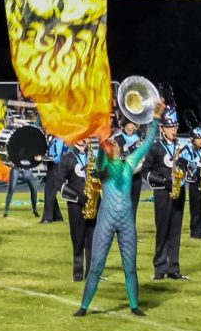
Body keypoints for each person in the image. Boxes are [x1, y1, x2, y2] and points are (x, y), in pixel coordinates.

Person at [73, 100, 164, 317]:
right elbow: (103, 142)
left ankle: (134, 306)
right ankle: (83, 307)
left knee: (130, 266)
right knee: (96, 265)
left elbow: (148, 142)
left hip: (125, 221)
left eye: (115, 144)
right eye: (111, 144)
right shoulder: (103, 166)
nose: (114, 145)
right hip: (106, 218)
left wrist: (156, 119)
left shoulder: (129, 163)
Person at [141, 105, 188, 279]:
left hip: (179, 191)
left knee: (176, 231)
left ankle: (174, 268)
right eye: (170, 127)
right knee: (162, 230)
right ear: (162, 129)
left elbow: (190, 167)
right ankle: (160, 268)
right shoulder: (156, 148)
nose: (173, 130)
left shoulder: (181, 146)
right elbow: (146, 171)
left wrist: (185, 166)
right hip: (162, 193)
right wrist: (163, 182)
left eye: (175, 127)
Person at [56, 138, 97, 282]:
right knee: (78, 239)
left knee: (93, 239)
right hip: (75, 204)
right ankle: (78, 272)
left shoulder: (93, 157)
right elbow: (59, 182)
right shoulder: (67, 158)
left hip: (93, 202)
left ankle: (91, 272)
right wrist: (79, 198)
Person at [113, 120, 145, 219]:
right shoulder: (117, 139)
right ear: (124, 124)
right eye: (130, 124)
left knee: (133, 206)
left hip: (136, 176)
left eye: (134, 124)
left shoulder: (140, 139)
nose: (132, 127)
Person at [40, 136, 65, 223]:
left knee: (49, 193)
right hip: (51, 168)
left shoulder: (59, 140)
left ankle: (47, 218)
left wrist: (42, 158)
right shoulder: (53, 139)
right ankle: (57, 217)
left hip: (56, 168)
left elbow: (56, 159)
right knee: (51, 193)